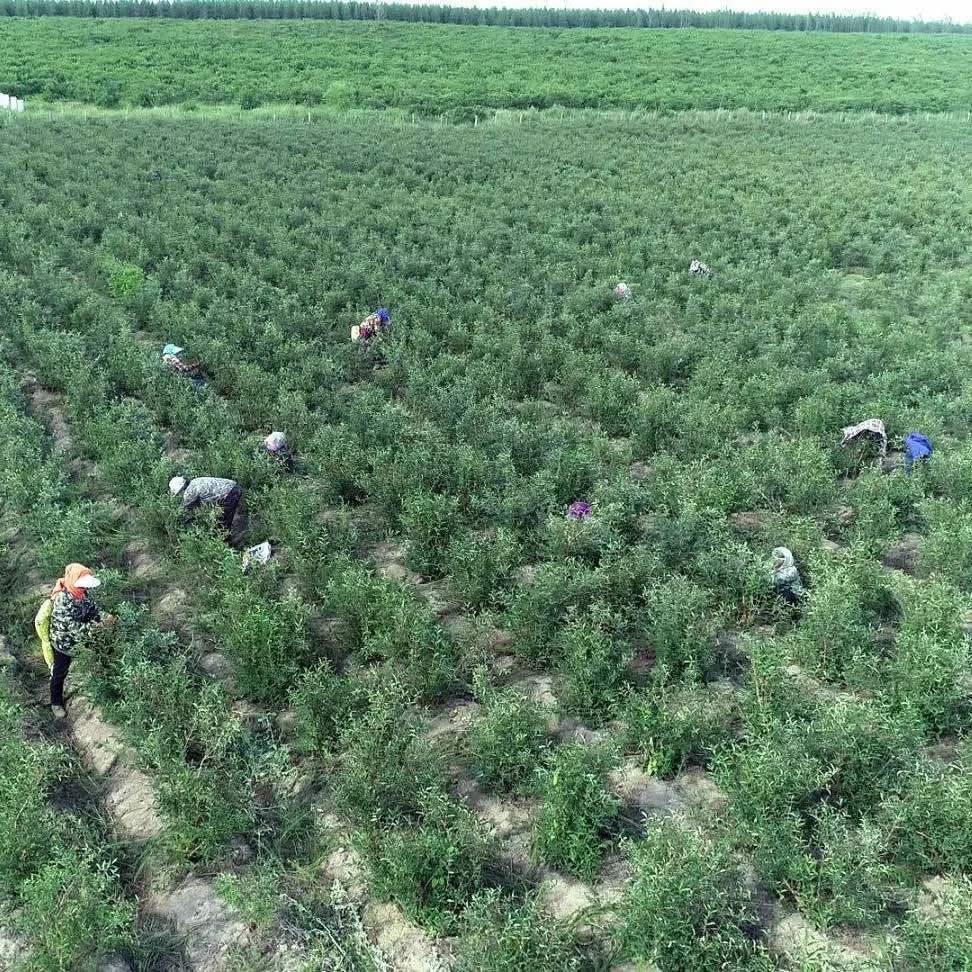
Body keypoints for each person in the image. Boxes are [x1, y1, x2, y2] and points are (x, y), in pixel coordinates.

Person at [40, 564, 115, 718]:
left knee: (104, 652)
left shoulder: (81, 594)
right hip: (64, 642)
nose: (84, 588)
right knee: (60, 673)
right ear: (74, 582)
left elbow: (94, 609)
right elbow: (74, 629)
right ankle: (56, 703)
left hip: (82, 637)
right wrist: (99, 626)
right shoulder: (63, 601)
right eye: (82, 585)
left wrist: (106, 616)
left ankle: (109, 683)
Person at [169, 475, 243, 532]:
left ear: (181, 488)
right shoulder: (194, 481)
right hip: (234, 487)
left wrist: (173, 521)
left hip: (230, 494)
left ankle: (225, 542)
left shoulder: (190, 491)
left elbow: (182, 510)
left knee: (222, 523)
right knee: (221, 517)